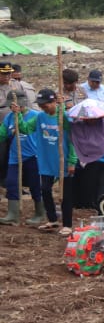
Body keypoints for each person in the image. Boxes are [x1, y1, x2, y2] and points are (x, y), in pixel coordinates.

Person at [65, 99, 104, 228]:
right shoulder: (79, 126)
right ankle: (102, 224)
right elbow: (66, 127)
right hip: (91, 163)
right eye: (87, 118)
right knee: (94, 198)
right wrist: (60, 106)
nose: (90, 121)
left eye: (92, 118)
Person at [23, 88, 74, 231]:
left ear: (54, 102)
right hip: (46, 161)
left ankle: (67, 225)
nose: (42, 107)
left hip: (63, 161)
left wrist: (72, 161)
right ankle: (52, 219)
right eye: (40, 105)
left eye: (45, 104)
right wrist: (18, 115)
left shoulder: (64, 117)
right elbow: (26, 129)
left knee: (65, 194)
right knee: (45, 189)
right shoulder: (40, 117)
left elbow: (73, 139)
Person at [0, 91, 43, 226]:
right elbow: (2, 134)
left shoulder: (36, 116)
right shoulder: (9, 117)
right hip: (14, 157)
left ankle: (40, 213)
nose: (11, 107)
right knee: (11, 183)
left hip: (33, 155)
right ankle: (13, 214)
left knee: (35, 185)